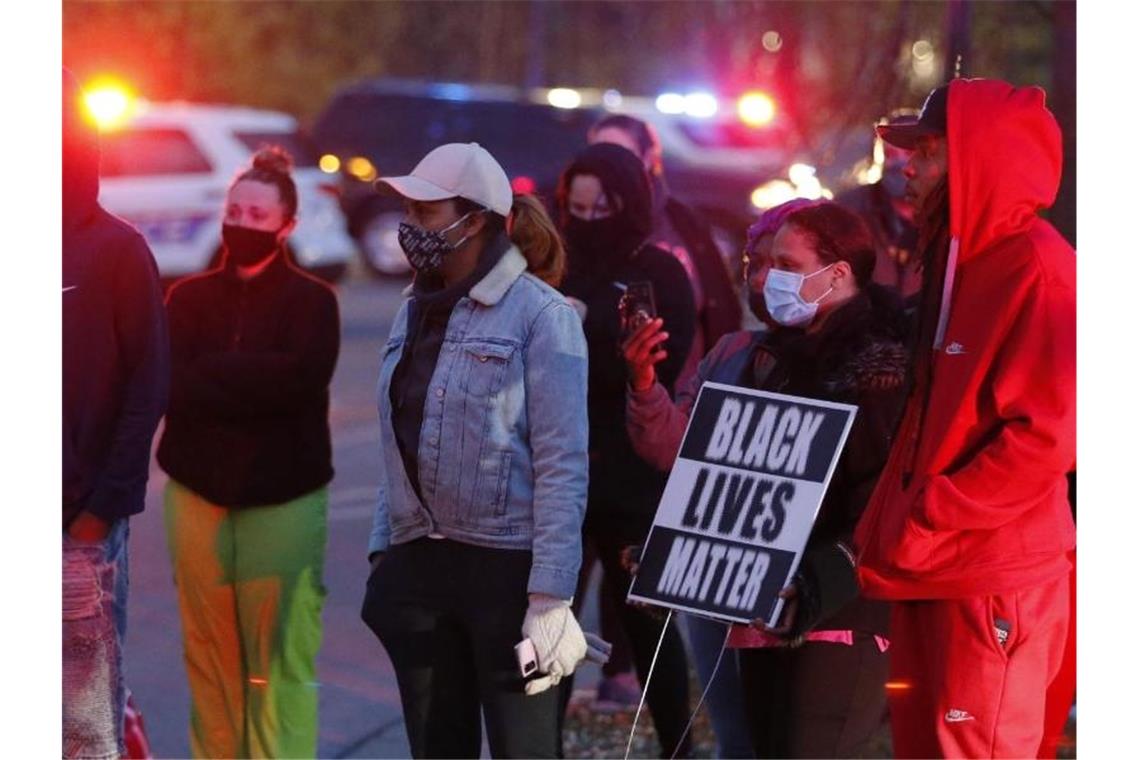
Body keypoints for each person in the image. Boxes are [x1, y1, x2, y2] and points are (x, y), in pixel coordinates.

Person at [623, 200, 909, 757]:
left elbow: (878, 507)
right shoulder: (762, 358)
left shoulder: (881, 373)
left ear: (838, 273)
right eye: (764, 261)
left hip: (836, 619)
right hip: (761, 612)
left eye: (788, 263)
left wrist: (820, 580)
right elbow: (732, 478)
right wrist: (676, 558)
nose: (768, 278)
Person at [360, 142, 609, 759]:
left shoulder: (543, 316)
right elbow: (397, 436)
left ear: (477, 220)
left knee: (524, 750)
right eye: (409, 212)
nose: (411, 227)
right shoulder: (413, 307)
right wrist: (383, 553)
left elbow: (562, 461)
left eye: (427, 211)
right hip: (420, 566)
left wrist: (551, 596)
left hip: (507, 574)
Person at [854, 79, 1076, 758]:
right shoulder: (960, 260)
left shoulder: (1039, 273)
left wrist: (933, 511)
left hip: (988, 576)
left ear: (980, 157)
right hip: (939, 568)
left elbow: (1048, 436)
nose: (908, 167)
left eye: (927, 151)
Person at [156, 146, 340, 758]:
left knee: (278, 660)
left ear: (286, 225)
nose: (242, 224)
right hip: (197, 496)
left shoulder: (314, 302)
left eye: (258, 215)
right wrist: (252, 379)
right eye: (235, 210)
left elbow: (299, 382)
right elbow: (170, 386)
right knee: (208, 659)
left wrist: (213, 377)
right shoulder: (186, 299)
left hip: (282, 500)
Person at [558, 141, 698, 758]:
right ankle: (540, 742)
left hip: (628, 471)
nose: (588, 222)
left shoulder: (659, 272)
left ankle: (678, 742)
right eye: (577, 208)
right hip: (558, 461)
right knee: (550, 610)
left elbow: (654, 368)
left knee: (646, 619)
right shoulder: (555, 262)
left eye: (600, 208)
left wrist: (583, 330)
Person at [63, 67, 170, 760]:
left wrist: (99, 513)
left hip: (80, 529)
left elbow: (147, 387)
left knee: (83, 724)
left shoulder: (116, 248)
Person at [589, 114, 742, 388]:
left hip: (683, 391)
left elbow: (720, 303)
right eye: (598, 153)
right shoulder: (580, 226)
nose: (607, 165)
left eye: (620, 153)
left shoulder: (683, 222)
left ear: (649, 157)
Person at [836, 110, 922, 302]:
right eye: (890, 154)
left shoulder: (949, 217)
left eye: (908, 153)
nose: (899, 164)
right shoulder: (849, 208)